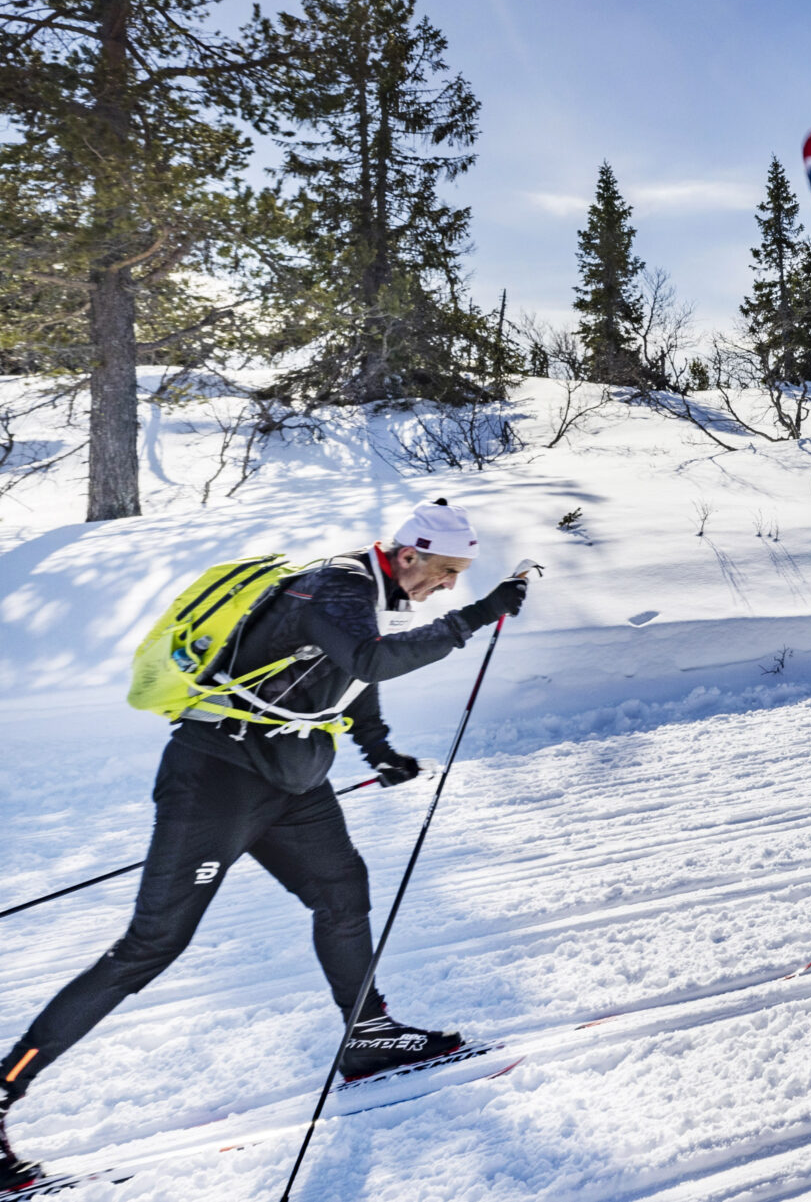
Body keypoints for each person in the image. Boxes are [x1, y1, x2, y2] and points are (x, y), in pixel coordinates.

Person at [0, 501, 527, 1192]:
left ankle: (367, 1035)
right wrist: (477, 616)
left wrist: (377, 746)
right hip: (217, 777)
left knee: (343, 890)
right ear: (411, 556)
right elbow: (368, 657)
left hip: (289, 780)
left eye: (459, 579)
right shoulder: (336, 582)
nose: (448, 587)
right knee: (150, 944)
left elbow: (346, 675)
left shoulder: (362, 593)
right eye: (447, 572)